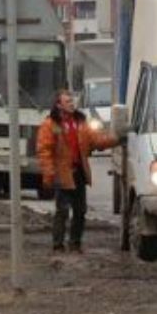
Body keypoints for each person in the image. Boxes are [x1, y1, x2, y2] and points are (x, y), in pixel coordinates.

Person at [37, 89, 121, 253]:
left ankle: (75, 243)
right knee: (62, 210)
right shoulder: (50, 125)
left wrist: (117, 139)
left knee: (80, 210)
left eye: (72, 101)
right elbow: (44, 151)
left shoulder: (81, 123)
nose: (72, 104)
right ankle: (58, 245)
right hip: (62, 173)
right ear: (59, 105)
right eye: (68, 102)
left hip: (79, 173)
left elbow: (97, 140)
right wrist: (49, 175)